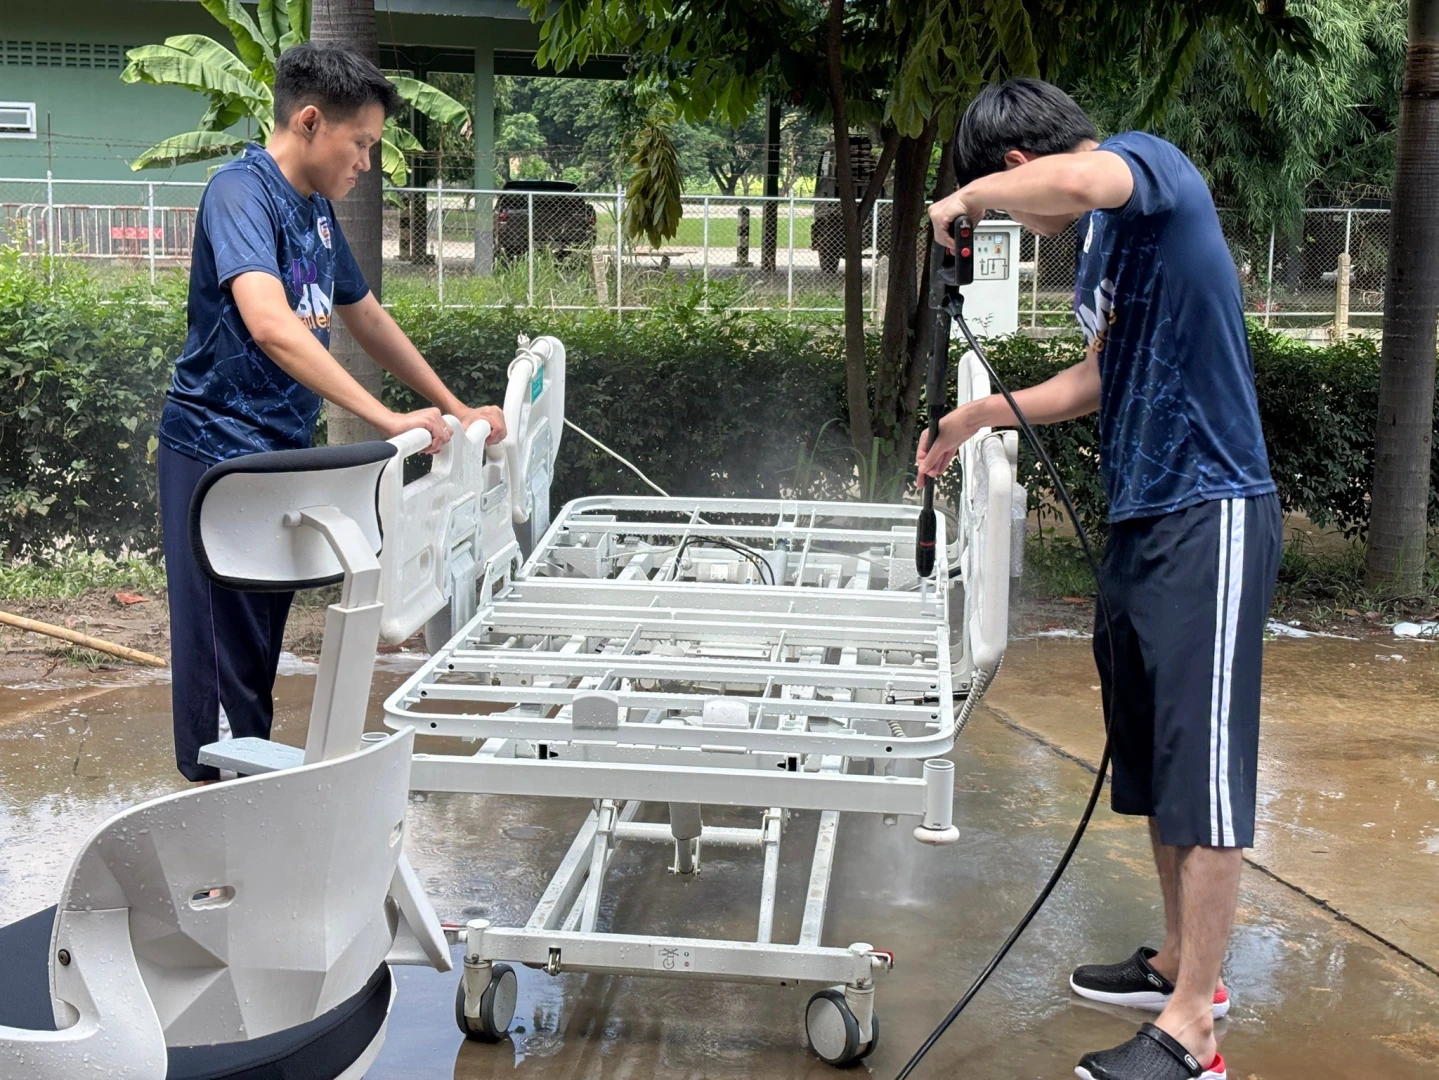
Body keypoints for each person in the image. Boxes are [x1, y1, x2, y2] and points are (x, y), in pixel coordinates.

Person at [922, 79, 1281, 1080]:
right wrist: (972, 418)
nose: (1019, 224)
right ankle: (1176, 964)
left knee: (1202, 771)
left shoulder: (1142, 166)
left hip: (1207, 508)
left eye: (1001, 198)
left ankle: (1192, 1034)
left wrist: (969, 205)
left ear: (1010, 171)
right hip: (1142, 515)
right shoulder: (1102, 246)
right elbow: (1096, 378)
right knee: (1161, 758)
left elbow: (1085, 172)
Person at [158, 42, 506, 784]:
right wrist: (384, 419)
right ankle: (222, 835)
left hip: (276, 451)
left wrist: (451, 405)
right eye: (362, 144)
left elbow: (367, 318)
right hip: (215, 455)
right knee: (223, 673)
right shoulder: (240, 193)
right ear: (311, 121)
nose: (366, 163)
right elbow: (272, 324)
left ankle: (252, 825)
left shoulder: (314, 212)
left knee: (255, 650)